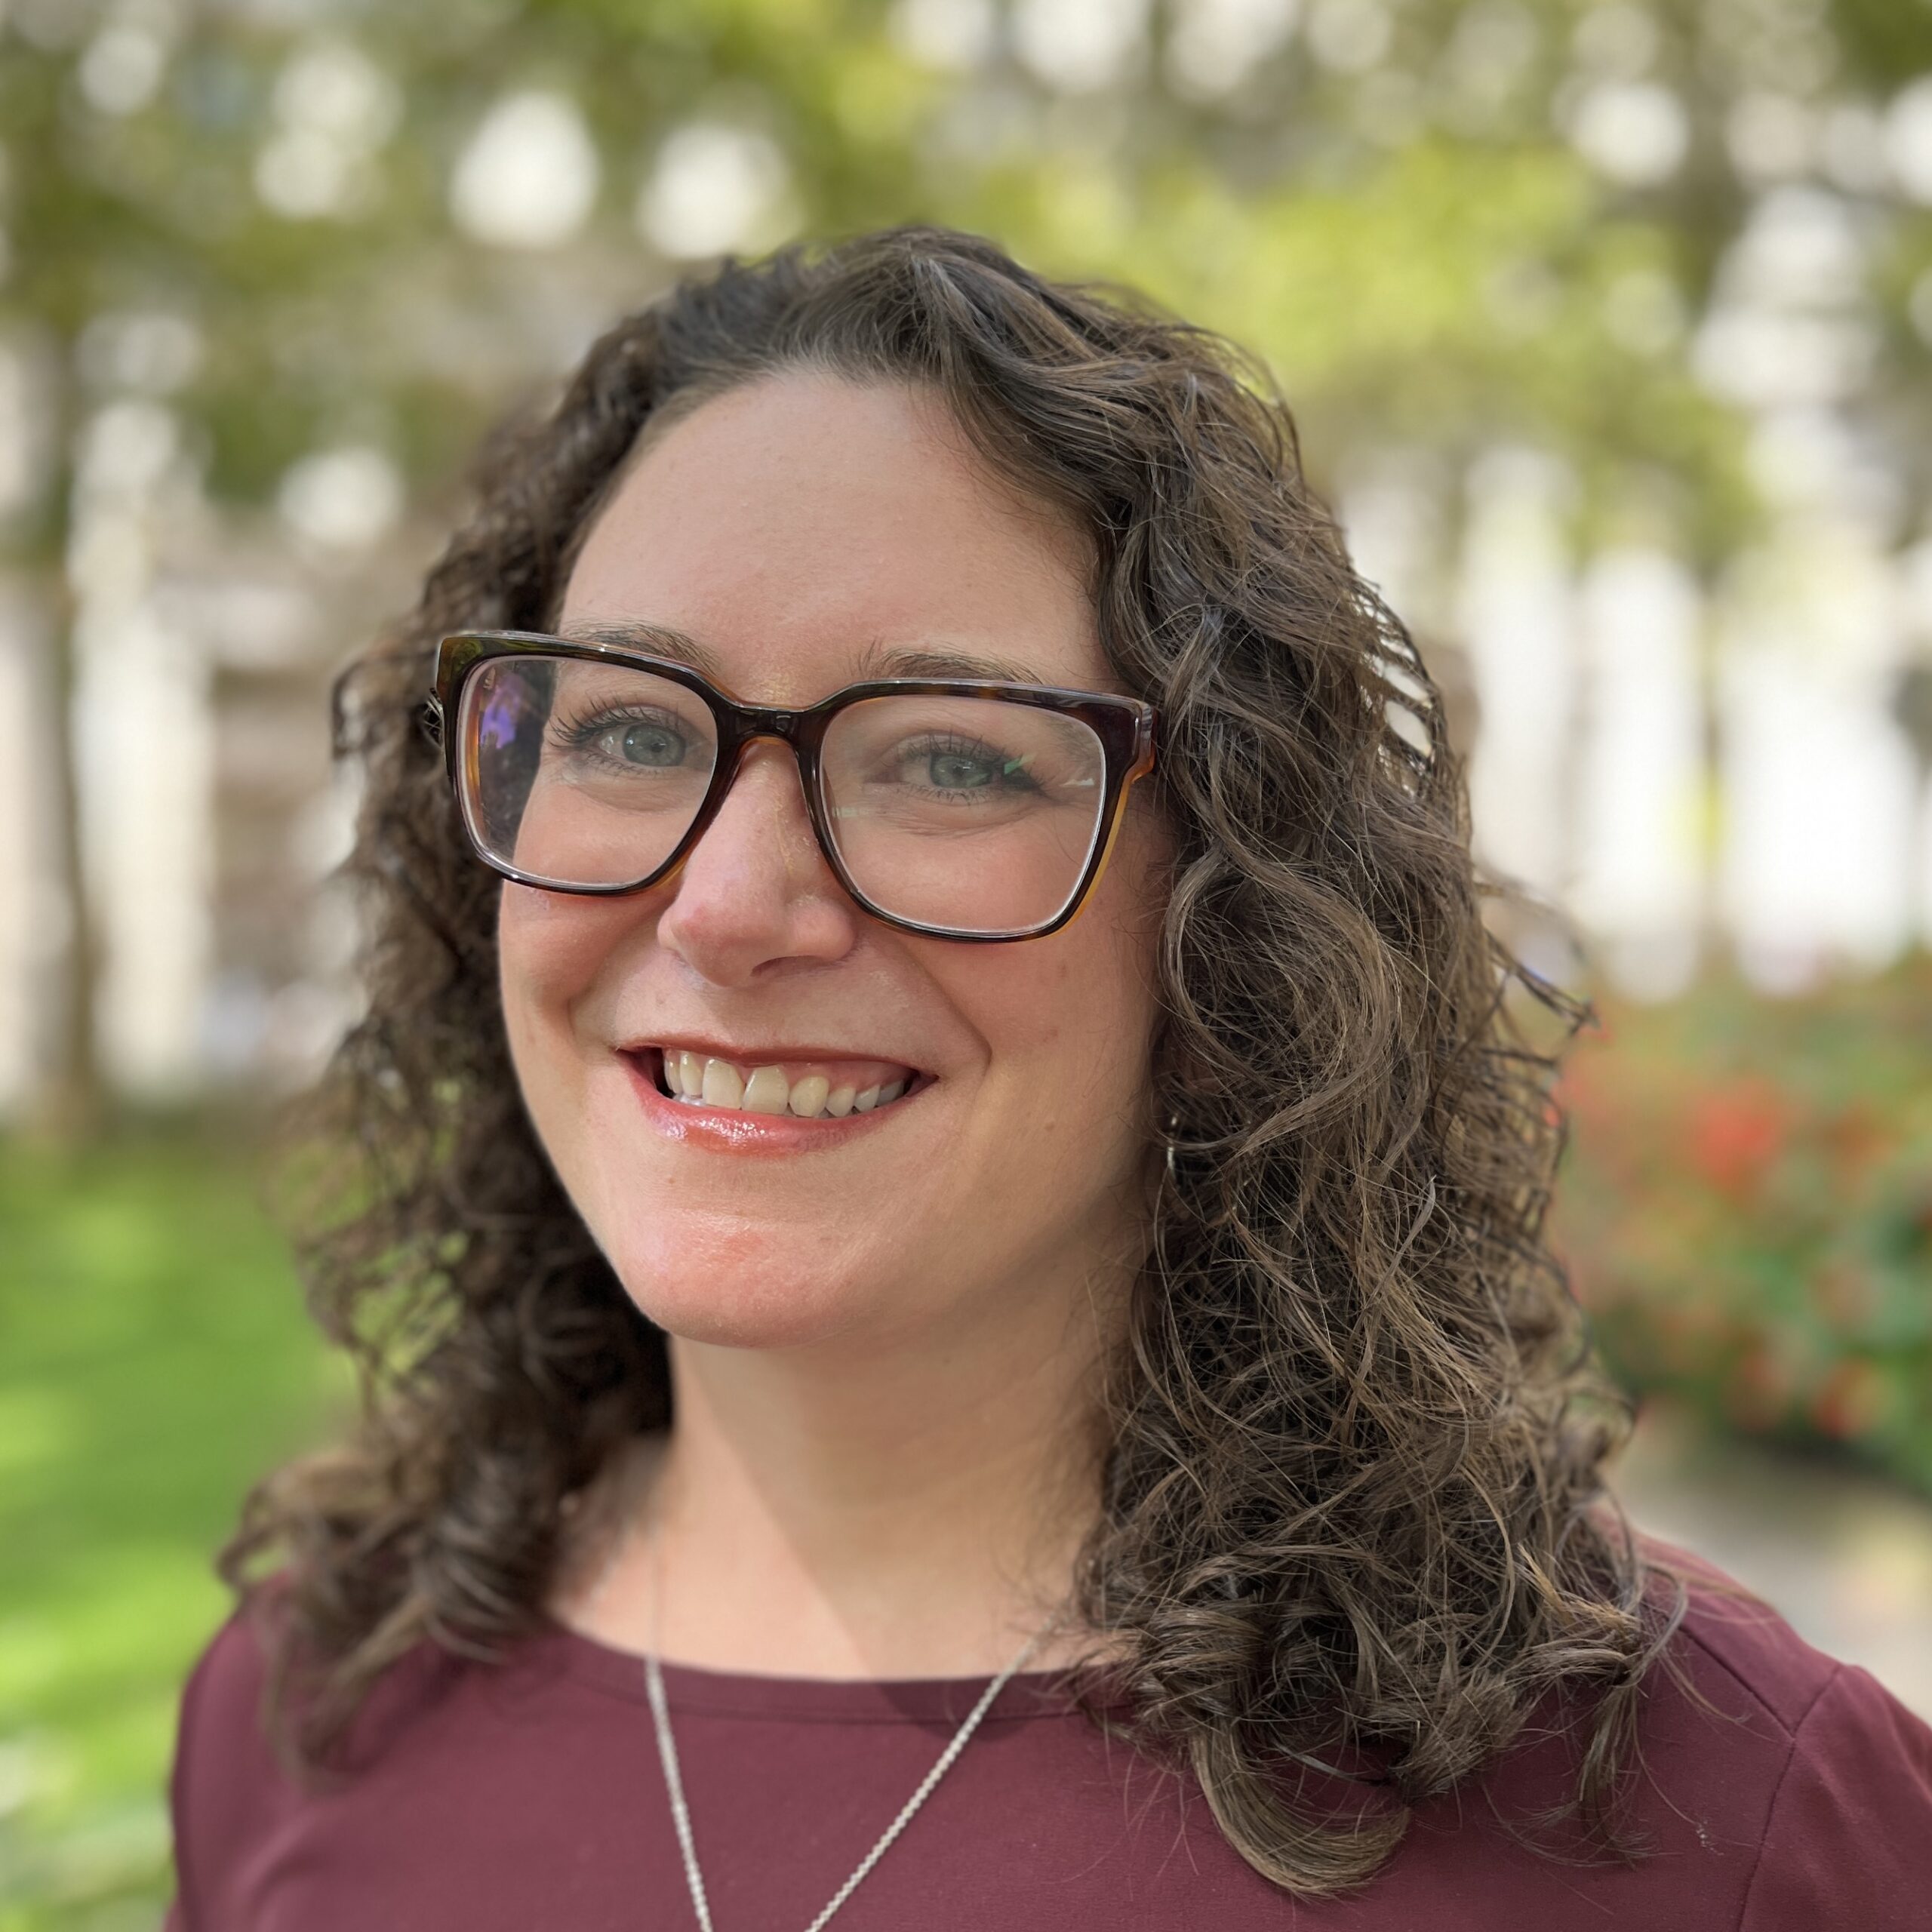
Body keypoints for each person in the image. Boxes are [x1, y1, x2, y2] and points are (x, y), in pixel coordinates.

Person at [164, 226, 1932, 1930]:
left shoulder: (1706, 1824)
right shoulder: (308, 1713)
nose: (726, 905)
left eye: (947, 758)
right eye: (626, 728)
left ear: (1232, 919)